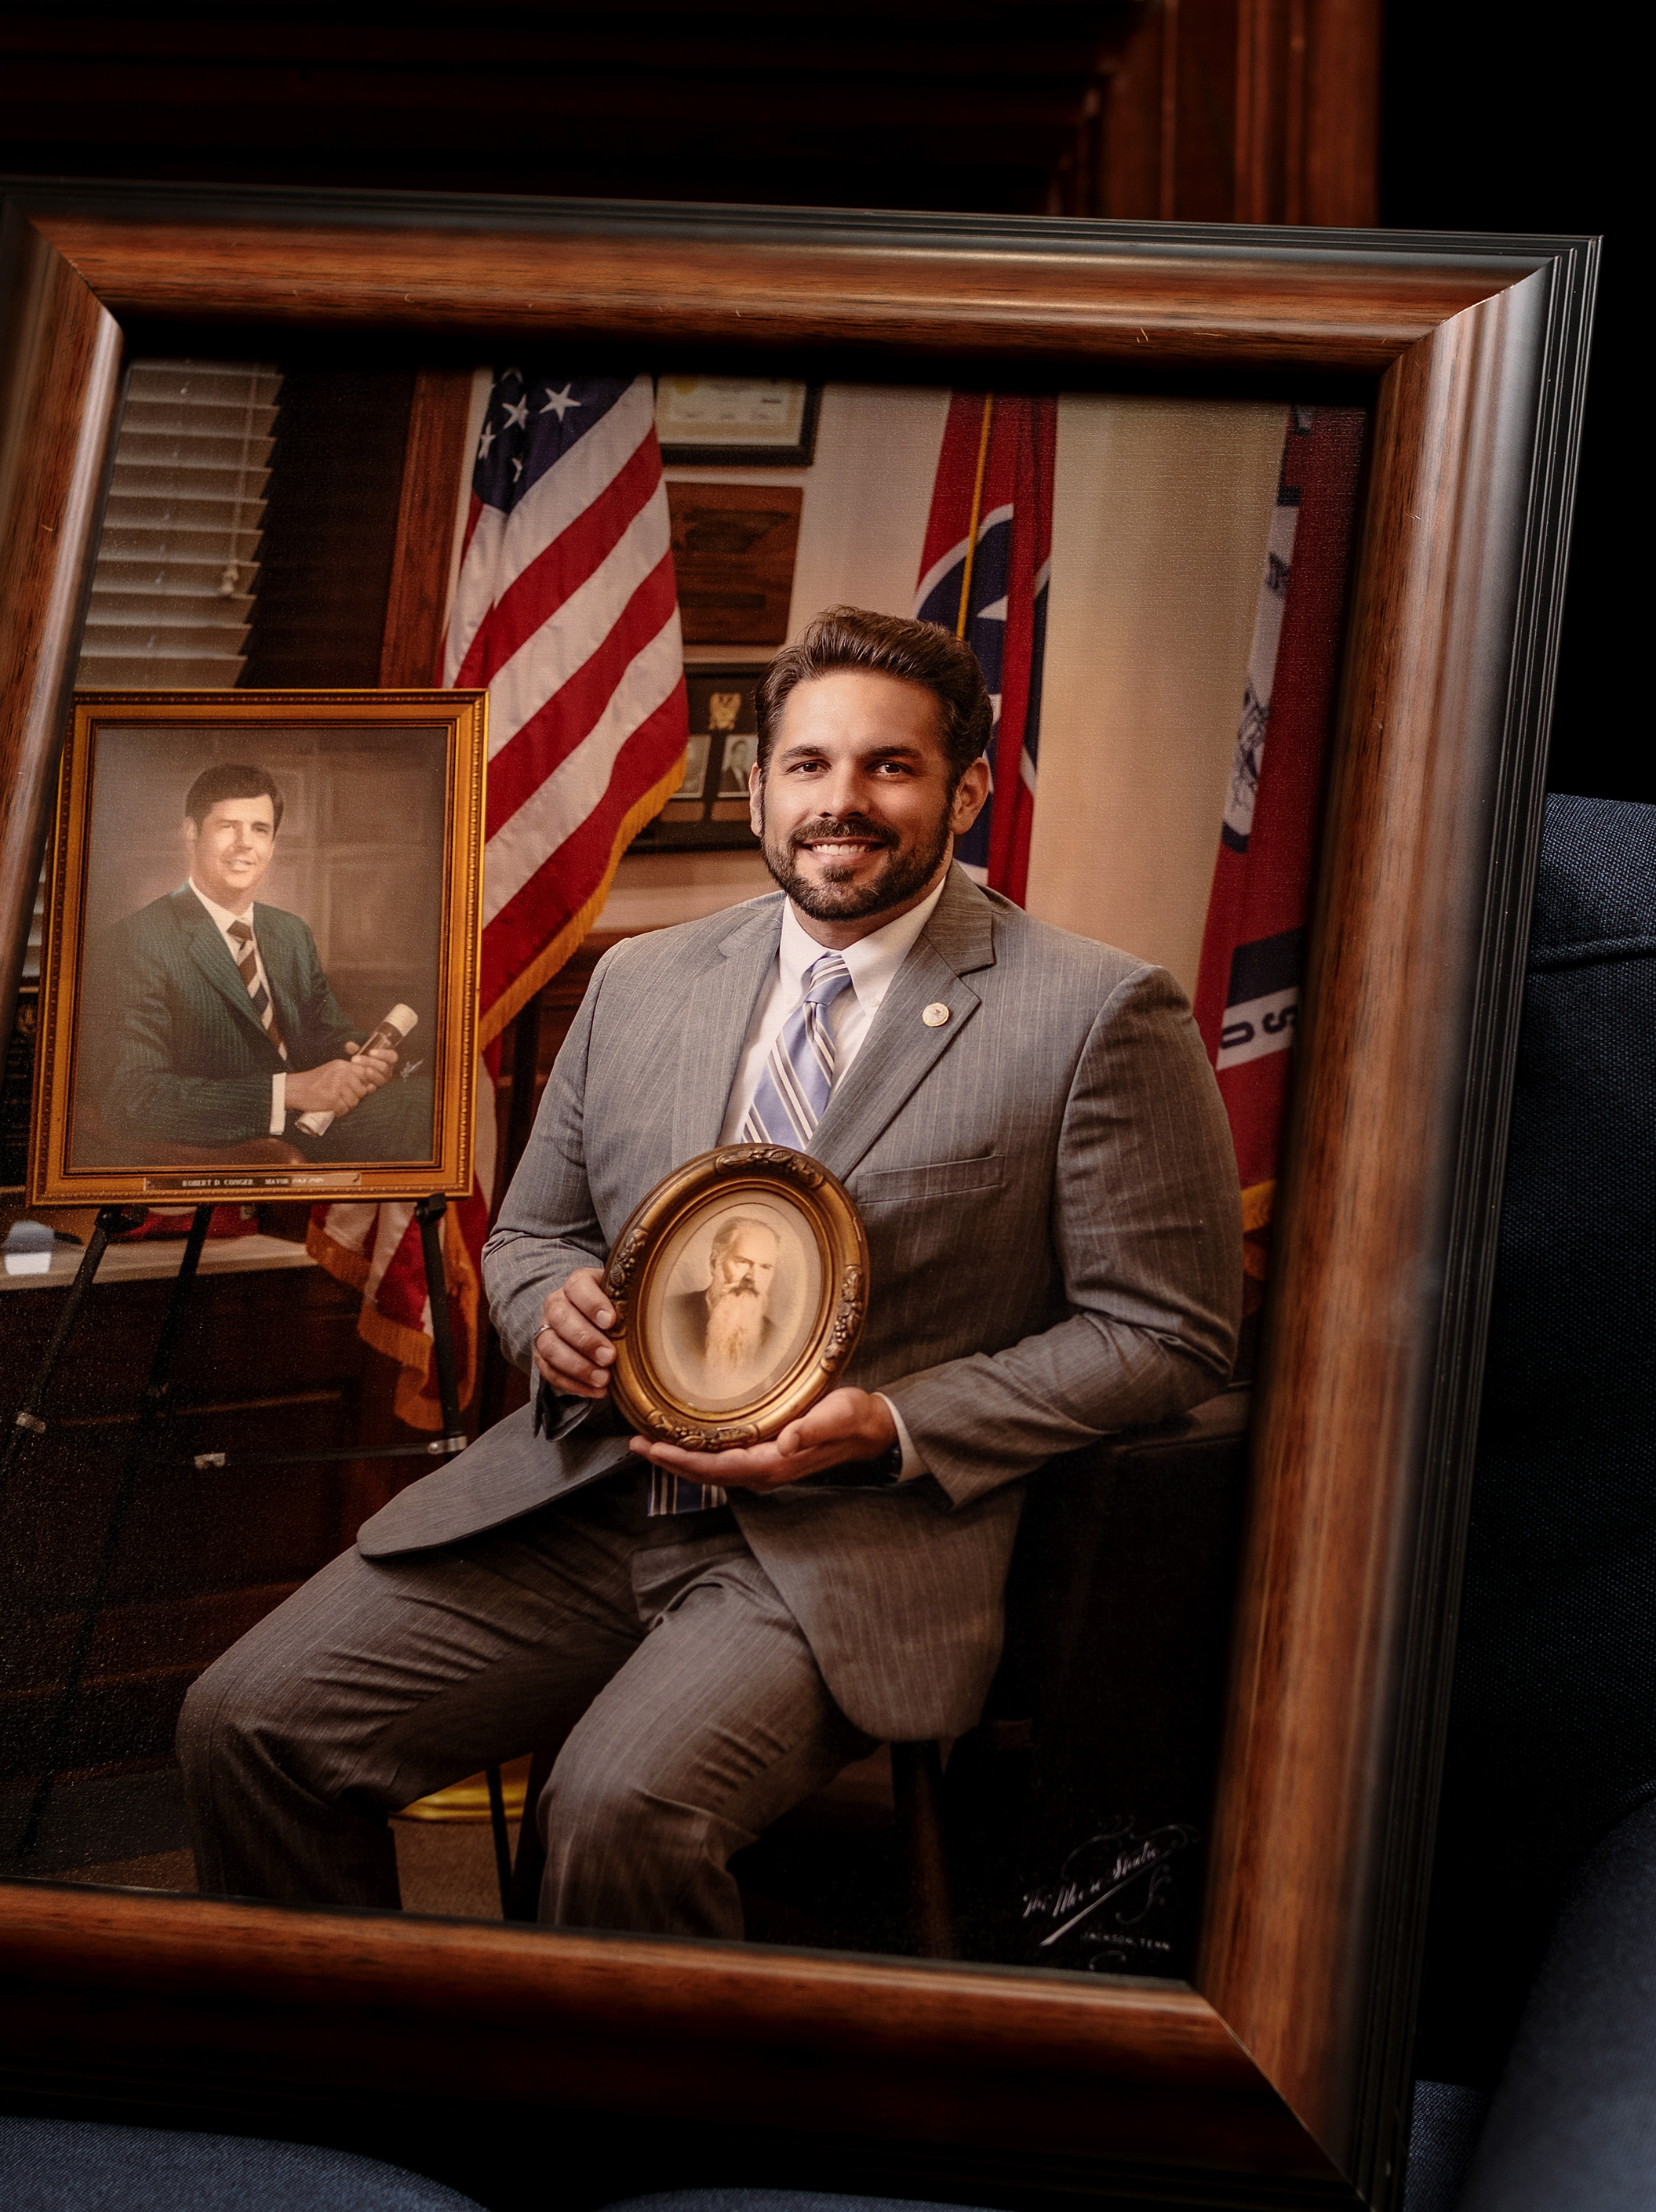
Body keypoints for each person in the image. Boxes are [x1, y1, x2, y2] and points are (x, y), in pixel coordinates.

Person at [177, 608, 1242, 1937]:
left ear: (966, 787)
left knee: (615, 1813)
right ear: (758, 788)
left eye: (889, 769)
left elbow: (1171, 1331)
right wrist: (544, 1314)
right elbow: (531, 1238)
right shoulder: (642, 981)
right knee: (244, 1722)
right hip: (584, 1492)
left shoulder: (1094, 1012)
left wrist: (895, 1428)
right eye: (807, 766)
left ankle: (637, 2149)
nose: (839, 804)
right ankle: (335, 2122)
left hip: (842, 1547)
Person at [78, 762, 429, 1159]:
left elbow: (326, 1036)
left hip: (312, 1125)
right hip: (230, 1143)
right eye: (228, 826)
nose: (245, 843)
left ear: (273, 843)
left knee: (431, 1105)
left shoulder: (289, 932)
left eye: (260, 830)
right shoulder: (137, 942)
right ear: (191, 834)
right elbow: (132, 1100)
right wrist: (289, 1091)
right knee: (423, 1117)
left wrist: (361, 1057)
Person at [666, 1213, 789, 1405]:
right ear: (715, 1263)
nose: (752, 1277)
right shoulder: (670, 1316)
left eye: (765, 1267)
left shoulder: (777, 1339)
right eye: (742, 1262)